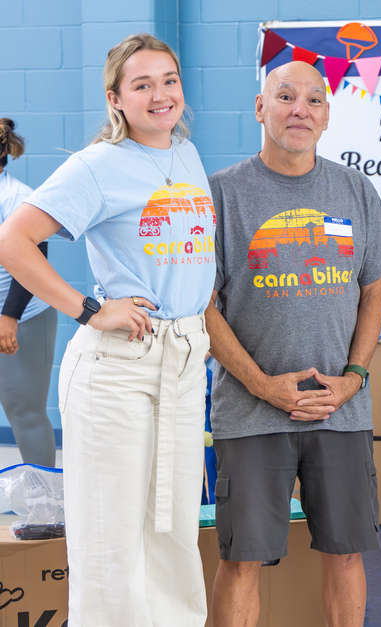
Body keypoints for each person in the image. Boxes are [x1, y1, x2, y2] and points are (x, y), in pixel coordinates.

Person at [0, 34, 213, 624]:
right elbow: (13, 241)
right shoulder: (96, 166)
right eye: (142, 84)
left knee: (171, 528)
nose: (160, 94)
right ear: (116, 98)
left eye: (168, 80)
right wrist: (90, 309)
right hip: (120, 366)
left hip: (183, 359)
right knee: (112, 540)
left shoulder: (185, 154)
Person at [206, 61, 381, 627]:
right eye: (285, 96)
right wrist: (261, 385)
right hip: (250, 412)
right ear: (260, 108)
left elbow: (373, 291)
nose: (300, 109)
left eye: (313, 100)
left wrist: (354, 377)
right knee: (241, 559)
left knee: (346, 553)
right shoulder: (222, 193)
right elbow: (204, 305)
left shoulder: (353, 188)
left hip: (337, 411)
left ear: (326, 116)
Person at [0, 118, 57, 467]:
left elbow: (32, 263)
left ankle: (46, 509)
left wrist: (9, 317)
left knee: (24, 409)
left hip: (23, 317)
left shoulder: (18, 197)